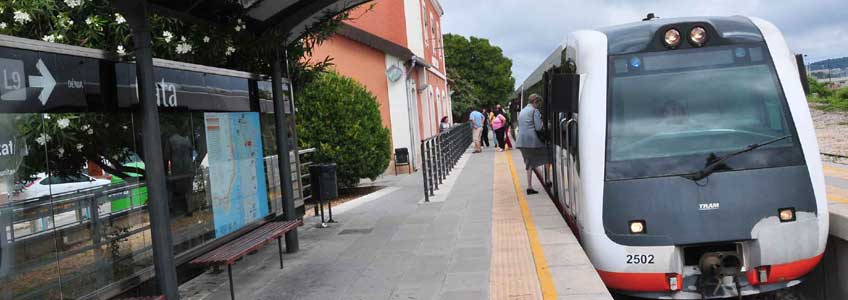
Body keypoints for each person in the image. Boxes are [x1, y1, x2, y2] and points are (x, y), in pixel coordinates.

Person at [517, 94, 549, 194]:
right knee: (547, 157)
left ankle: (529, 187)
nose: (539, 105)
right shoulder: (534, 111)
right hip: (532, 141)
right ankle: (547, 180)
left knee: (529, 163)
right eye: (538, 103)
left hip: (521, 141)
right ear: (535, 101)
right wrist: (546, 124)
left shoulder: (522, 110)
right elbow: (539, 127)